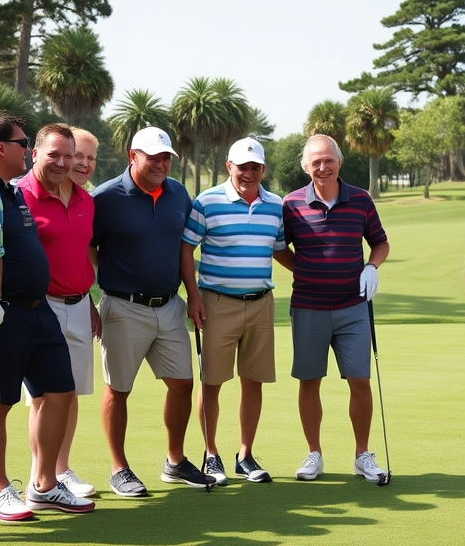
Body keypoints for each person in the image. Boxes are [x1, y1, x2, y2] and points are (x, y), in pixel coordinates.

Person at [0, 120, 94, 521]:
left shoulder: (9, 192)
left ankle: (44, 485)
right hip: (3, 311)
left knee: (61, 391)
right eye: (51, 153)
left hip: (38, 309)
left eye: (70, 155)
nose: (64, 163)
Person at [91, 126, 214, 495]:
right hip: (124, 307)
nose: (161, 164)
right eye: (153, 157)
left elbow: (184, 247)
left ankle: (175, 461)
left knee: (183, 384)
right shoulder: (107, 197)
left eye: (166, 158)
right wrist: (103, 282)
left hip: (170, 305)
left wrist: (193, 297)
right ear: (133, 156)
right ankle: (119, 468)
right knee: (119, 389)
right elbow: (87, 246)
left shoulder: (178, 192)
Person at [273, 134, 390, 483]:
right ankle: (314, 454)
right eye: (315, 161)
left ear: (339, 161)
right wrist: (306, 269)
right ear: (306, 166)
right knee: (309, 381)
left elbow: (380, 242)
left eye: (329, 160)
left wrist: (372, 267)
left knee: (360, 380)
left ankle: (362, 455)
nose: (322, 167)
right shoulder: (291, 204)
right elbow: (281, 249)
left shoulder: (360, 200)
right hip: (308, 306)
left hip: (353, 306)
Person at [181, 137, 286, 485]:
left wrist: (316, 274)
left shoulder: (275, 205)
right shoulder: (206, 201)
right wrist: (193, 296)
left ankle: (245, 455)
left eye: (255, 166)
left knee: (253, 381)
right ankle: (211, 454)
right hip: (217, 303)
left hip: (261, 304)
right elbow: (186, 250)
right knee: (212, 382)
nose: (249, 172)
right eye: (242, 166)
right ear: (229, 167)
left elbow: (280, 250)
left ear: (263, 169)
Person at [22, 127, 100, 499]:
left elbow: (83, 252)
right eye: (71, 155)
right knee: (43, 397)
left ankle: (60, 469)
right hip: (40, 306)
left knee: (68, 394)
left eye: (84, 158)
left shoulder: (86, 200)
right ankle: (42, 476)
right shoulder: (21, 195)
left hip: (79, 303)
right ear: (38, 153)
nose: (76, 164)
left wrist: (90, 302)